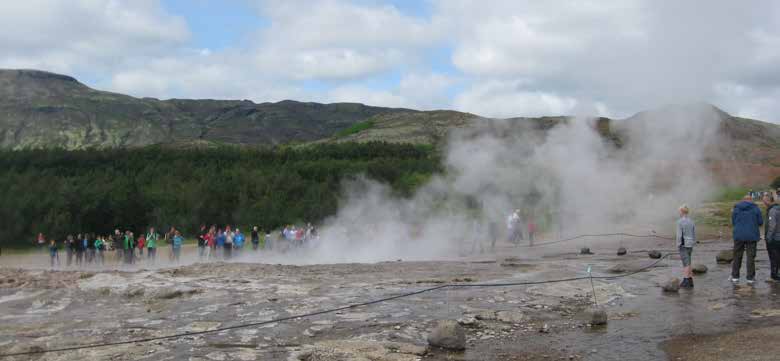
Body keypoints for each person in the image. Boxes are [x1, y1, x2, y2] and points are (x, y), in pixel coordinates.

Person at [732, 195, 763, 284]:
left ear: (743, 200)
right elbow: (760, 222)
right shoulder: (756, 208)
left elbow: (733, 222)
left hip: (738, 235)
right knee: (751, 257)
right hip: (752, 235)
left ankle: (735, 277)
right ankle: (750, 278)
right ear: (751, 200)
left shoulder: (736, 208)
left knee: (737, 256)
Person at [676, 205, 696, 288]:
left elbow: (679, 235)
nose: (678, 213)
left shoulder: (680, 222)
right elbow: (694, 233)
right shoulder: (691, 221)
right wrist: (693, 242)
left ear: (682, 212)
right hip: (690, 243)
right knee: (689, 261)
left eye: (679, 211)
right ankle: (690, 279)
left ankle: (686, 279)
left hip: (683, 244)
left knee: (685, 262)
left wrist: (678, 244)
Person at [763, 194, 780, 281]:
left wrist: (768, 237)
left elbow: (772, 226)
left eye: (764, 201)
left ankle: (774, 276)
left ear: (768, 200)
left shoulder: (772, 211)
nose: (763, 203)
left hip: (774, 239)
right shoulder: (778, 208)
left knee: (773, 258)